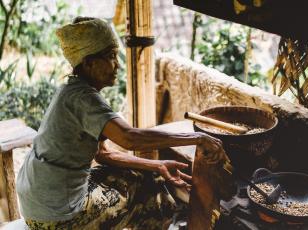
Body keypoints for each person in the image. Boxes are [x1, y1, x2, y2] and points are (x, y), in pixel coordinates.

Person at [16, 17, 228, 230]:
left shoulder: (70, 91)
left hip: (37, 203)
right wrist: (197, 138)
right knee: (152, 193)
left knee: (142, 176)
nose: (117, 64)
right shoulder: (84, 98)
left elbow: (104, 154)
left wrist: (158, 165)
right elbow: (129, 138)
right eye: (110, 56)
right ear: (89, 63)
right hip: (58, 216)